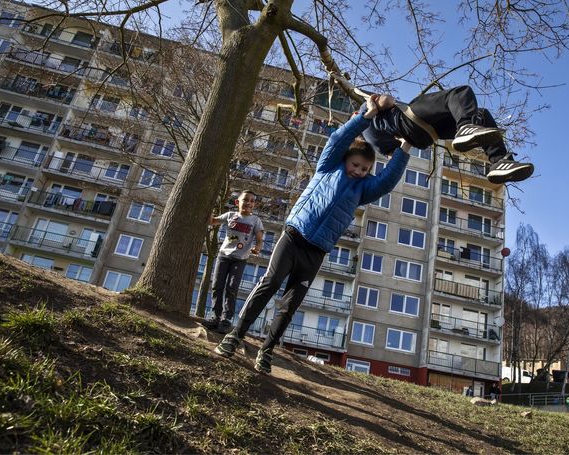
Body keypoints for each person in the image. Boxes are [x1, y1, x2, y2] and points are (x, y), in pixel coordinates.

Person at [214, 94, 410, 374]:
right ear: (346, 160)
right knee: (269, 284)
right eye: (355, 164)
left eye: (365, 169)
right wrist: (366, 116)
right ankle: (235, 335)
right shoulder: (329, 165)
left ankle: (266, 351)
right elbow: (338, 140)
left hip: (316, 250)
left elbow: (388, 180)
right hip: (295, 236)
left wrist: (405, 146)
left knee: (290, 304)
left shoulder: (363, 190)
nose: (358, 171)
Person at [360, 85, 534, 184]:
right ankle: (467, 127)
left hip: (425, 136)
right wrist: (377, 100)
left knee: (480, 115)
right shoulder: (363, 110)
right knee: (460, 94)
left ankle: (499, 163)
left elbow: (396, 155)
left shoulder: (375, 142)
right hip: (409, 118)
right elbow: (388, 101)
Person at [202, 190, 264, 334]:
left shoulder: (255, 221)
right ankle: (215, 316)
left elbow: (260, 239)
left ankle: (226, 320)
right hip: (223, 256)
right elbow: (213, 221)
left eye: (252, 201)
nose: (248, 203)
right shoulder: (230, 215)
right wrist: (209, 206)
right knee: (217, 285)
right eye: (245, 200)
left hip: (240, 259)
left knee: (231, 288)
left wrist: (257, 248)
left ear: (254, 204)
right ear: (238, 202)